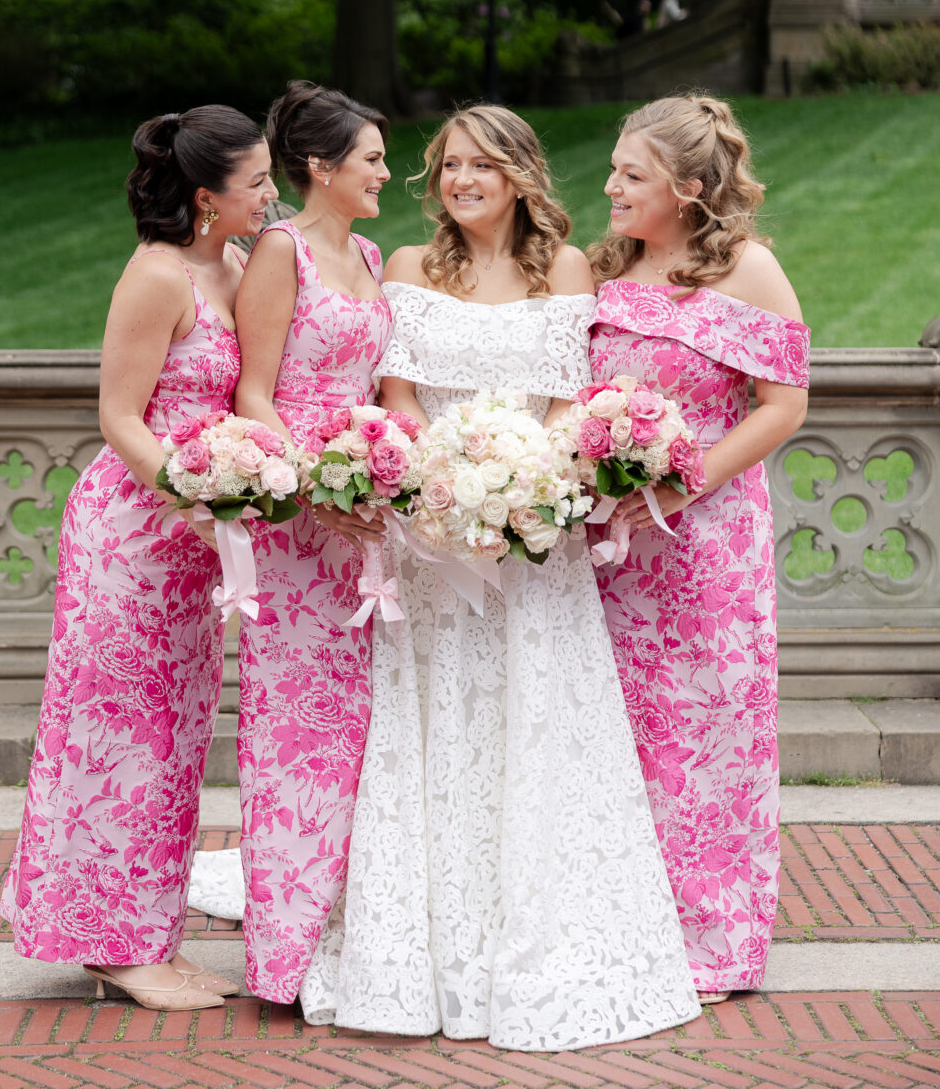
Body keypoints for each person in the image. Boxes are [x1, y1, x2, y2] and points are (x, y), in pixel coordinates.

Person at [300, 105, 701, 1051]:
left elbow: (566, 409)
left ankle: (546, 945)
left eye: (481, 165)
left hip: (533, 546)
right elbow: (393, 404)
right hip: (427, 543)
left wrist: (519, 494)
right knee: (433, 730)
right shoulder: (405, 266)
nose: (459, 181)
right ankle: (419, 957)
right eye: (446, 166)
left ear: (520, 175)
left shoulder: (560, 271)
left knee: (536, 729)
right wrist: (440, 497)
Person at [0, 105, 278, 1010]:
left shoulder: (231, 265)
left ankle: (145, 933)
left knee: (176, 736)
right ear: (206, 197)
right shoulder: (158, 277)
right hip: (132, 535)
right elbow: (119, 416)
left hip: (196, 544)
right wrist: (192, 498)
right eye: (258, 182)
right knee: (119, 734)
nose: (271, 193)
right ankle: (114, 945)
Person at [588, 93, 809, 1003]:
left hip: (707, 548)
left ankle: (715, 941)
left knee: (705, 733)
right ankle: (624, 921)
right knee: (621, 734)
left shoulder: (749, 270)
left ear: (684, 188)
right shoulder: (606, 271)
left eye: (629, 175)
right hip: (610, 555)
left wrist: (687, 480)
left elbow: (784, 404)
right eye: (612, 168)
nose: (608, 185)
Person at [188, 81, 393, 1005]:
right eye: (373, 159)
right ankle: (287, 956)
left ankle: (358, 929)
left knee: (366, 734)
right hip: (301, 526)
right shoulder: (280, 252)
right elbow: (255, 394)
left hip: (368, 521)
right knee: (295, 735)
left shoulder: (374, 253)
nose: (388, 172)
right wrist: (316, 486)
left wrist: (385, 473)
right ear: (321, 167)